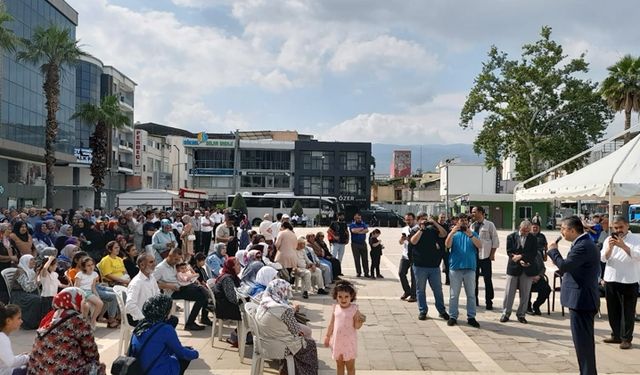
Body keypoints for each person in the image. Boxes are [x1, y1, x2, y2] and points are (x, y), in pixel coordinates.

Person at [547, 216, 600, 375]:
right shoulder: (581, 243)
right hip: (580, 299)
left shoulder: (583, 245)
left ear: (572, 230)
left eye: (563, 229)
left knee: (583, 344)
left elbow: (565, 266)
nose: (561, 232)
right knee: (582, 344)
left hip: (582, 300)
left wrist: (553, 251)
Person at [28, 287, 106, 375]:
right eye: (84, 301)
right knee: (97, 368)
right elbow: (91, 352)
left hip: (37, 370)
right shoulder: (77, 321)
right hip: (61, 371)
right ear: (77, 301)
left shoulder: (50, 317)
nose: (86, 305)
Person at [255, 279, 319, 375]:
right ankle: (303, 371)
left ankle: (289, 368)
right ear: (281, 290)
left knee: (304, 334)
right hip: (281, 346)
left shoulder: (264, 302)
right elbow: (296, 330)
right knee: (310, 344)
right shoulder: (283, 309)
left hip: (263, 342)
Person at [130, 294, 199, 375]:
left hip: (137, 370)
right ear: (164, 312)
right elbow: (181, 353)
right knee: (184, 357)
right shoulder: (165, 329)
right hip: (156, 371)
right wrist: (195, 353)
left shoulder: (140, 325)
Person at [600, 215, 640, 350]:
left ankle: (626, 338)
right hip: (611, 278)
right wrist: (610, 248)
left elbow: (638, 256)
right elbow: (603, 258)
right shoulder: (608, 239)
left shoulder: (636, 238)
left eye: (621, 227)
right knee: (613, 310)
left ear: (627, 226)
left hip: (629, 280)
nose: (618, 230)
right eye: (615, 228)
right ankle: (615, 335)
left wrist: (624, 246)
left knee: (627, 312)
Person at [154, 249, 211, 331]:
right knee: (201, 296)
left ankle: (204, 317)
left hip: (182, 286)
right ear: (169, 256)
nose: (177, 261)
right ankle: (190, 323)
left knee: (202, 290)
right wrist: (168, 285)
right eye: (176, 259)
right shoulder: (160, 268)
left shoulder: (174, 264)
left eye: (178, 259)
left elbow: (185, 272)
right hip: (173, 291)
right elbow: (153, 284)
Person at [445, 214, 482, 328]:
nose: (464, 222)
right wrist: (452, 232)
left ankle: (471, 317)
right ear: (457, 222)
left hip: (470, 269)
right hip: (455, 268)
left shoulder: (473, 234)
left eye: (466, 220)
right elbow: (447, 245)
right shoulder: (454, 234)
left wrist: (470, 235)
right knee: (454, 295)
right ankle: (453, 316)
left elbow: (480, 245)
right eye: (461, 220)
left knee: (471, 294)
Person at [410, 213, 449, 321]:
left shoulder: (433, 229)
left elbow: (444, 234)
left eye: (426, 220)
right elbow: (413, 241)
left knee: (438, 290)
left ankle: (442, 310)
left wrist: (435, 223)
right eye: (422, 220)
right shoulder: (415, 230)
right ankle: (423, 311)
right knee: (420, 290)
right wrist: (421, 229)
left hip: (434, 266)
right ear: (418, 221)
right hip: (419, 265)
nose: (424, 222)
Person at [324, 280, 365, 375]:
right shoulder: (336, 308)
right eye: (340, 297)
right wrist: (327, 336)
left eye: (346, 297)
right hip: (337, 341)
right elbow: (332, 323)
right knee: (339, 365)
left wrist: (360, 321)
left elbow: (356, 326)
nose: (343, 299)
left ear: (351, 297)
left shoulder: (354, 309)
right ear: (336, 297)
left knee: (350, 367)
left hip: (349, 343)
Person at [501, 220, 538, 324]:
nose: (525, 233)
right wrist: (516, 258)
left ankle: (521, 314)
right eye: (523, 231)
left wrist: (523, 258)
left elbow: (533, 253)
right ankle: (506, 313)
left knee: (525, 293)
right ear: (519, 228)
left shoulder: (533, 238)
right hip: (513, 267)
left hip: (527, 267)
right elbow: (509, 251)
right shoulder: (511, 237)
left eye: (527, 231)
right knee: (509, 292)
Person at [470, 206, 499, 310]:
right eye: (472, 212)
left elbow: (495, 241)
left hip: (486, 256)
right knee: (474, 280)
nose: (472, 214)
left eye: (474, 212)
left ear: (481, 213)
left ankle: (489, 301)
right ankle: (474, 300)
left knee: (487, 280)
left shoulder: (489, 225)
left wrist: (492, 254)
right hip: (474, 257)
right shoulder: (472, 226)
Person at [10, 255, 48, 329]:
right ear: (25, 261)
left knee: (45, 297)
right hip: (19, 295)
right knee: (36, 300)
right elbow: (27, 288)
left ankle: (42, 321)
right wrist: (37, 277)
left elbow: (35, 285)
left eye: (34, 259)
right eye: (31, 260)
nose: (34, 262)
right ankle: (30, 323)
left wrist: (39, 276)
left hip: (28, 292)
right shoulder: (20, 271)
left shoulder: (31, 271)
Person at [125, 253, 161, 326]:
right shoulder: (136, 283)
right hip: (138, 317)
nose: (154, 264)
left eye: (154, 261)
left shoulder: (152, 277)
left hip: (151, 314)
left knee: (172, 320)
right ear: (142, 265)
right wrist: (143, 318)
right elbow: (130, 306)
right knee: (164, 327)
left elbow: (158, 295)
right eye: (151, 262)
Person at [213, 257, 242, 346]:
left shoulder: (231, 276)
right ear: (231, 267)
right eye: (237, 264)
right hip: (224, 308)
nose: (240, 266)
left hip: (226, 304)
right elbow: (233, 298)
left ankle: (242, 336)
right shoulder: (227, 279)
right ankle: (237, 336)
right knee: (250, 313)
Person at [74, 257, 104, 328]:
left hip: (89, 292)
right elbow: (76, 287)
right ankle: (84, 322)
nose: (91, 267)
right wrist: (82, 297)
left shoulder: (95, 274)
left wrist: (97, 296)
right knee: (86, 306)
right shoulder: (80, 274)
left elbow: (93, 288)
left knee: (100, 303)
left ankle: (93, 320)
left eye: (92, 265)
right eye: (88, 265)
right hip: (81, 292)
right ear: (84, 267)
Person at [0, 303, 29, 375]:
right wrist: (27, 357)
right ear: (8, 321)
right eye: (18, 318)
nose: (21, 321)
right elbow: (11, 362)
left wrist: (20, 357)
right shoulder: (2, 338)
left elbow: (4, 360)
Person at [528, 223, 550, 315]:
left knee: (546, 289)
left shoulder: (538, 254)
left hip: (537, 277)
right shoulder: (522, 253)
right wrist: (530, 277)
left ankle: (536, 305)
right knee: (525, 287)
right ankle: (527, 307)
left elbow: (542, 268)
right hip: (526, 278)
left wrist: (538, 276)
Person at [399, 213, 417, 302]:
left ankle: (414, 295)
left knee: (414, 276)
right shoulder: (405, 229)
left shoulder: (418, 229)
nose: (408, 221)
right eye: (406, 220)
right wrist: (402, 240)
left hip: (415, 255)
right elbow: (400, 242)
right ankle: (407, 291)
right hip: (405, 255)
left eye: (410, 219)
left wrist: (409, 239)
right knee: (401, 273)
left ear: (414, 219)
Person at [0, 224, 18, 304]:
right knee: (2, 288)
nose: (10, 230)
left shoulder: (9, 240)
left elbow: (15, 252)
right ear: (3, 230)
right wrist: (10, 258)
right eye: (8, 229)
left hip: (10, 265)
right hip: (1, 267)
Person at [348, 213, 369, 278]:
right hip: (355, 244)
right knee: (357, 259)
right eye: (357, 218)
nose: (359, 219)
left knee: (365, 259)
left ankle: (366, 272)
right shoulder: (352, 224)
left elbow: (366, 230)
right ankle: (358, 272)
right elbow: (353, 231)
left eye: (360, 218)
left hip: (363, 243)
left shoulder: (363, 224)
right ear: (355, 218)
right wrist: (361, 229)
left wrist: (358, 231)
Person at [437, 213, 451, 285]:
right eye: (441, 217)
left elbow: (448, 235)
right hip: (437, 249)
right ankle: (437, 280)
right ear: (438, 218)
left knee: (447, 266)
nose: (442, 219)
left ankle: (448, 280)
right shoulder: (435, 226)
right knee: (436, 266)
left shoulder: (447, 226)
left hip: (445, 249)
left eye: (444, 217)